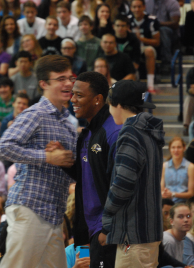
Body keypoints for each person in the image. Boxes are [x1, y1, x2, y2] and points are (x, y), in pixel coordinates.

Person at [0, 55, 77, 268]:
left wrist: (64, 157)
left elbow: (71, 165)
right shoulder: (36, 114)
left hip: (54, 212)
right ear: (44, 84)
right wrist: (47, 156)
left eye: (70, 78)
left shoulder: (68, 123)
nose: (68, 83)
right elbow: (3, 147)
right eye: (60, 79)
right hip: (30, 206)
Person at [98, 80, 163, 268]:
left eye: (110, 105)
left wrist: (107, 220)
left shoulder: (130, 133)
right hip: (147, 232)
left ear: (117, 104)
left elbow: (123, 185)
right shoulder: (148, 132)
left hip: (133, 235)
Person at [60, 71, 121, 268]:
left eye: (79, 95)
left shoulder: (113, 132)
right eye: (72, 94)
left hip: (107, 230)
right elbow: (85, 175)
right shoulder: (88, 133)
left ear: (98, 99)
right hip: (89, 229)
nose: (73, 100)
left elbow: (122, 186)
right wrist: (64, 160)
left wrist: (108, 228)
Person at [128, 0, 160, 93]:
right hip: (130, 47)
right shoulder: (127, 20)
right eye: (134, 7)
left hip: (145, 47)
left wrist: (140, 38)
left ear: (144, 7)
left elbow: (157, 42)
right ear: (131, 8)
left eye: (139, 7)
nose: (137, 9)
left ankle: (150, 85)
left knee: (149, 51)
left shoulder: (151, 20)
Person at [145, 0, 180, 71]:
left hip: (171, 34)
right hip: (151, 31)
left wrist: (157, 24)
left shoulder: (172, 3)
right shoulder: (145, 2)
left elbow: (175, 23)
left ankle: (167, 62)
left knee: (163, 30)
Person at [161, 137, 194, 203]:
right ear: (170, 149)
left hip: (183, 202)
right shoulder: (164, 166)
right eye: (173, 147)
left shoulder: (190, 167)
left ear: (184, 148)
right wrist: (163, 193)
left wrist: (173, 194)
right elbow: (161, 190)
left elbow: (191, 194)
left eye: (179, 147)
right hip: (167, 201)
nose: (176, 150)